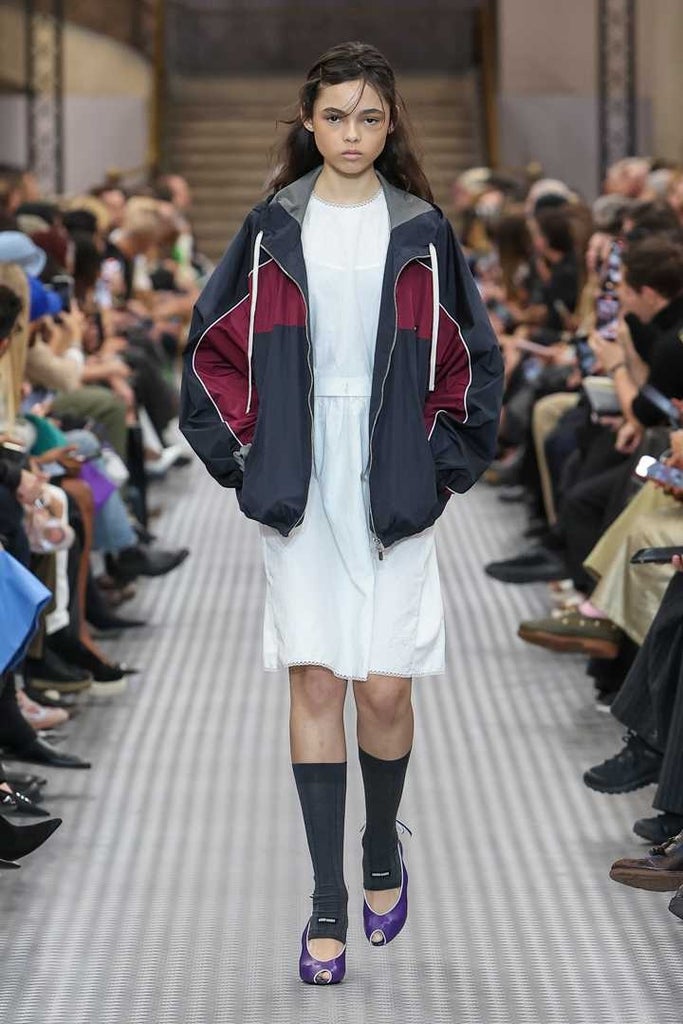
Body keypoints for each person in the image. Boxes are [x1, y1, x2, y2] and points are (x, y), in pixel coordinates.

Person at [180, 41, 503, 985]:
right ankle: (326, 896)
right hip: (301, 467)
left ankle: (378, 840)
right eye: (334, 117)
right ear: (308, 122)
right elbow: (208, 349)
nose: (351, 134)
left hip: (393, 466)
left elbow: (472, 360)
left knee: (386, 687)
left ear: (389, 124)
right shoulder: (272, 227)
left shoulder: (423, 231)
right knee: (317, 679)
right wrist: (249, 458)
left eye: (367, 117)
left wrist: (442, 466)